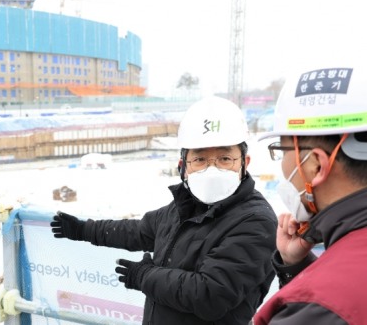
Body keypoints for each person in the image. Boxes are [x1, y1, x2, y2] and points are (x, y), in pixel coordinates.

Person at [51, 96, 278, 325]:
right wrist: (83, 230)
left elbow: (210, 294)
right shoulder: (184, 208)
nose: (212, 169)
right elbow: (138, 231)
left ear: (244, 163)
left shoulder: (256, 221)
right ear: (183, 167)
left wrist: (144, 276)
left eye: (225, 158)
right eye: (199, 159)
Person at [252, 65, 367, 324]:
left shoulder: (317, 306)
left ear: (316, 165)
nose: (282, 165)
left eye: (282, 152)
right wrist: (297, 266)